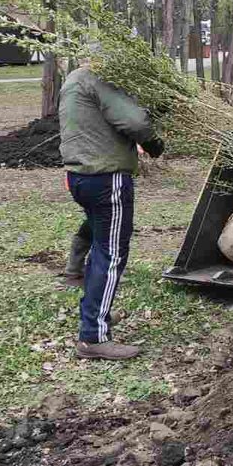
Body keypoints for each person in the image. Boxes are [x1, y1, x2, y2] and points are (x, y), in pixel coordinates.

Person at [59, 51, 164, 360]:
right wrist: (155, 143)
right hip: (107, 179)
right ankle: (93, 336)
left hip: (79, 176)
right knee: (112, 253)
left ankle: (86, 293)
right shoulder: (99, 79)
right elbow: (135, 122)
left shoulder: (74, 79)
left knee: (98, 231)